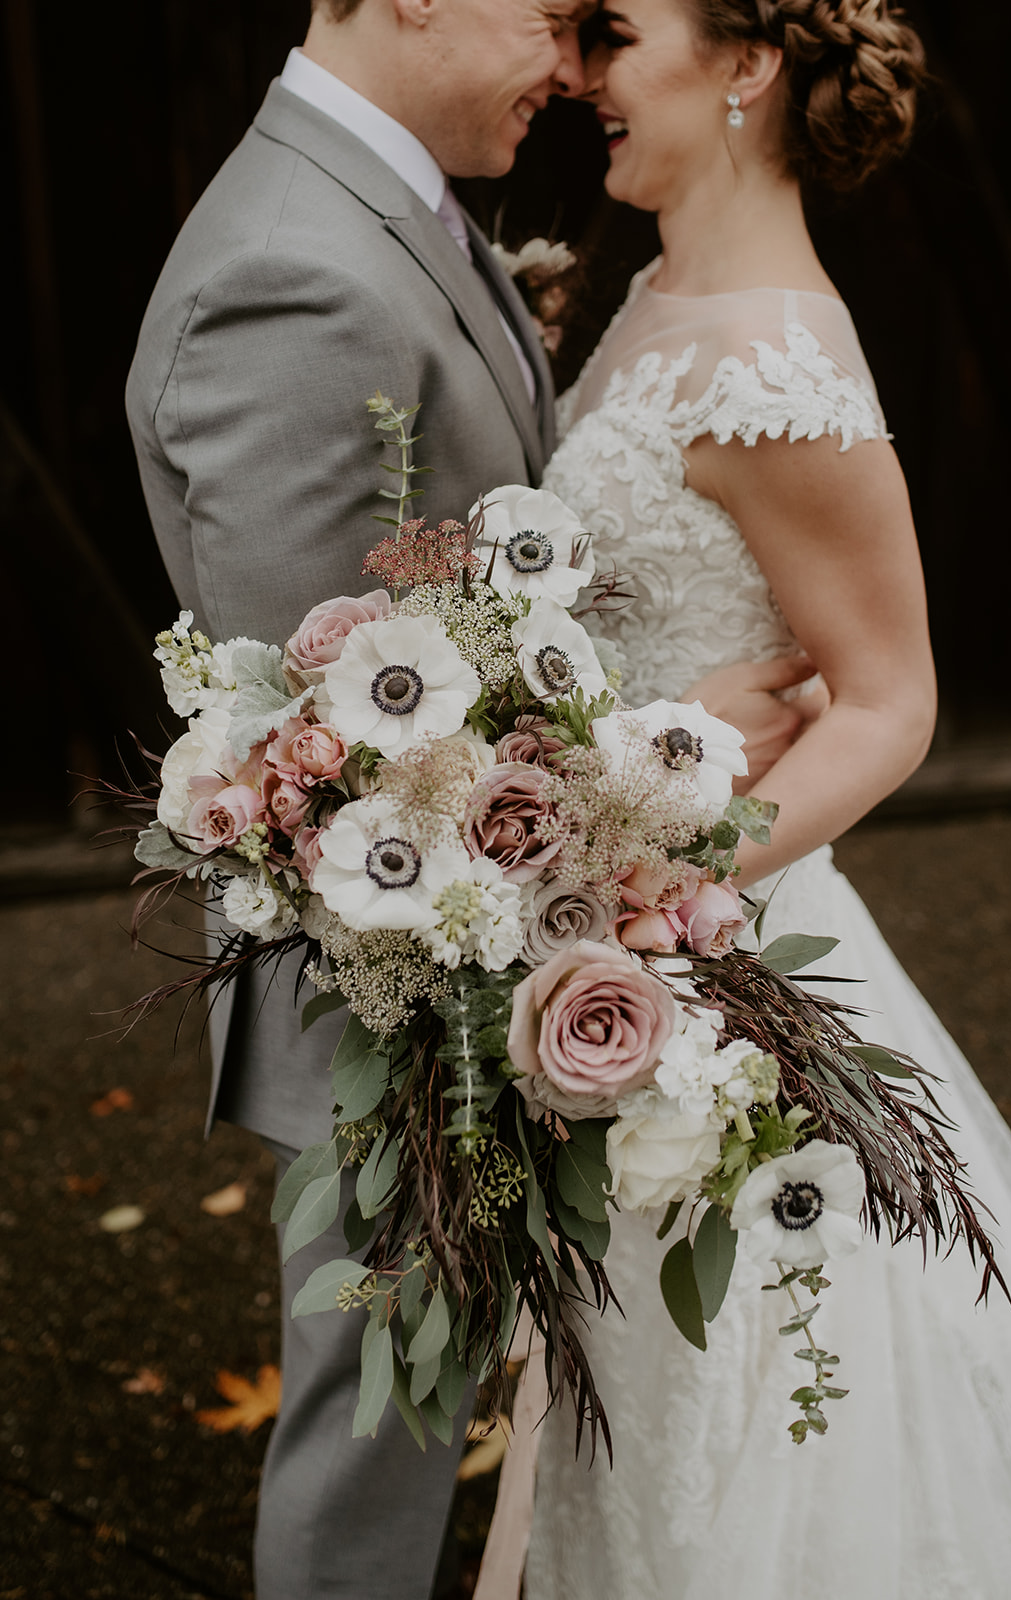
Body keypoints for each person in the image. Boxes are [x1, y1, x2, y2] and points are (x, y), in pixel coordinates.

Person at [125, 3, 808, 1595]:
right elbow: (346, 759)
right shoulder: (289, 275)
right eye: (552, 17)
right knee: (378, 1438)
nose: (570, 68)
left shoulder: (388, 198)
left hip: (482, 944)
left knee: (417, 1412)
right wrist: (659, 737)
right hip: (397, 992)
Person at [514, 2, 1011, 1596]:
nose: (583, 77)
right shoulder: (663, 294)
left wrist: (670, 892)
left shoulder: (780, 364)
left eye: (618, 35)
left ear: (743, 65)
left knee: (773, 1385)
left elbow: (887, 703)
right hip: (623, 916)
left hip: (706, 950)